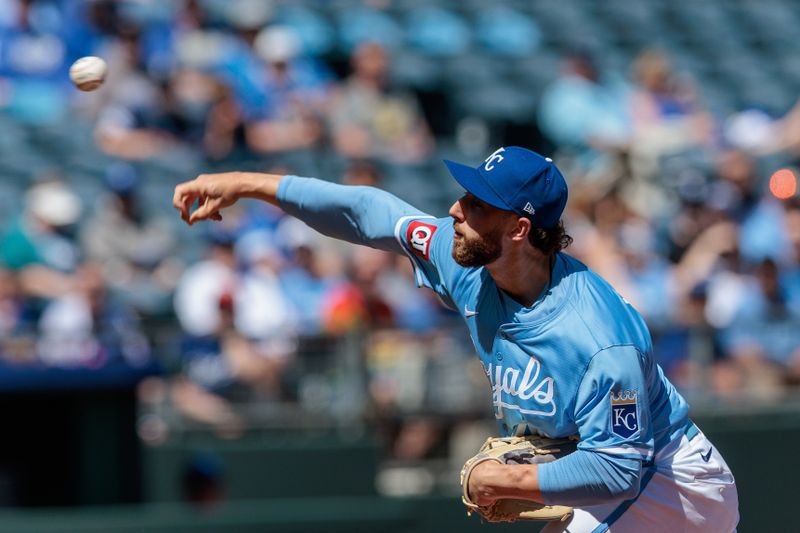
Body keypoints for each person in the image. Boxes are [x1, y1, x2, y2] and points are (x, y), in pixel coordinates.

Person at [172, 146, 739, 532]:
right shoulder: (468, 259)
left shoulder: (599, 338)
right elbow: (370, 211)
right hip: (620, 476)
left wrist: (515, 479)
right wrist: (247, 183)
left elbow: (621, 468)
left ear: (519, 229)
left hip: (673, 487)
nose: (455, 211)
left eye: (475, 204)